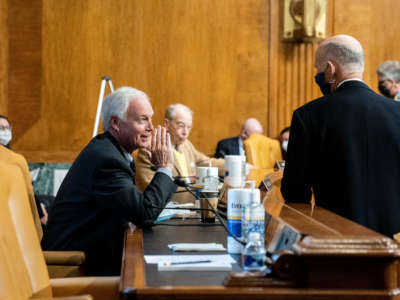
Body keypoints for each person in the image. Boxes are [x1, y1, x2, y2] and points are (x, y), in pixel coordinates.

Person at [43, 87, 177, 275]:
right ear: (115, 122)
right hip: (73, 266)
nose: (151, 128)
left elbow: (134, 208)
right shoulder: (107, 160)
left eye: (151, 119)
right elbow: (145, 213)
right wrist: (164, 167)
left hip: (93, 254)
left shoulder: (112, 151)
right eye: (142, 119)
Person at [281, 34, 400, 238]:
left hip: (335, 244)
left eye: (318, 70)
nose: (318, 76)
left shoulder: (308, 115)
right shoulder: (397, 112)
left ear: (330, 68)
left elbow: (295, 194)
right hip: (392, 247)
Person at [135, 104, 224, 203]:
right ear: (166, 124)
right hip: (165, 210)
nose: (185, 132)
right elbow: (154, 191)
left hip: (191, 206)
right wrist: (201, 189)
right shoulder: (151, 147)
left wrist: (236, 165)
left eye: (189, 127)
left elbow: (207, 162)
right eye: (181, 126)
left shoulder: (186, 145)